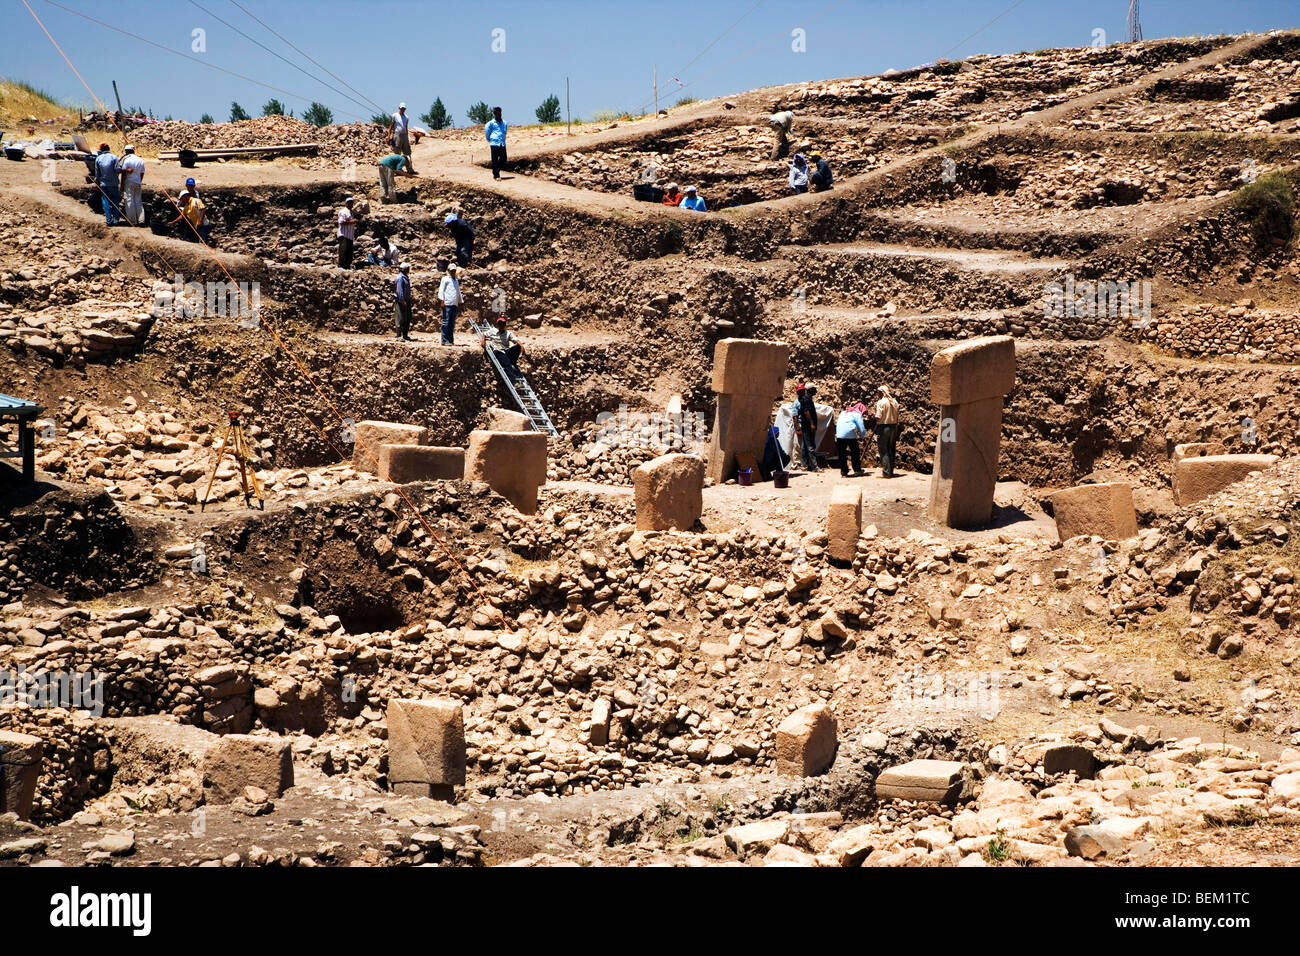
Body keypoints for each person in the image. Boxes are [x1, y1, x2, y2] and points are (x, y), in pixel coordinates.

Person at [482, 315, 524, 380]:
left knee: (517, 347)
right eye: (500, 324)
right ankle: (513, 382)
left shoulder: (508, 333)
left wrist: (521, 346)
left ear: (505, 325)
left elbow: (515, 340)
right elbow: (484, 334)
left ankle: (513, 361)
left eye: (503, 324)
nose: (502, 325)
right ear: (498, 325)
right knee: (507, 364)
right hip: (498, 351)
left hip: (506, 351)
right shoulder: (493, 330)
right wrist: (483, 341)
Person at [873, 385, 900, 478]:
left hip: (883, 427)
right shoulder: (895, 402)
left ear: (882, 392)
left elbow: (878, 416)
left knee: (883, 450)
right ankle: (891, 471)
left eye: (879, 392)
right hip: (893, 427)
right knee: (891, 448)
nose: (878, 394)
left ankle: (886, 472)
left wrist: (873, 414)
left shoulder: (880, 403)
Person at [793, 382, 821, 472]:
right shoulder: (807, 399)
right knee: (810, 447)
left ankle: (805, 465)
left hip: (805, 426)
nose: (816, 390)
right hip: (807, 426)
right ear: (810, 390)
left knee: (805, 446)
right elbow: (806, 412)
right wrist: (812, 423)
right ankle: (814, 467)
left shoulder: (805, 399)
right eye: (814, 389)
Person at [836, 402, 868, 477]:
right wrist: (863, 436)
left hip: (839, 434)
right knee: (855, 452)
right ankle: (857, 470)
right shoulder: (857, 414)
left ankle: (844, 471)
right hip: (850, 434)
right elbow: (861, 427)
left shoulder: (843, 412)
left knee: (842, 453)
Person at [93, 143, 121, 226]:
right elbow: (117, 169)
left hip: (104, 184)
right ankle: (116, 220)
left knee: (106, 201)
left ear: (101, 150)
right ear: (109, 149)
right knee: (115, 201)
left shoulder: (98, 158)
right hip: (114, 183)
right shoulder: (114, 157)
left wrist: (96, 183)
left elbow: (97, 174)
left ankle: (108, 220)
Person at [119, 145, 145, 226]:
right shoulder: (140, 160)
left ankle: (132, 221)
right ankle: (141, 220)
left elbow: (123, 173)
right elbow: (142, 172)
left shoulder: (127, 160)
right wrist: (139, 181)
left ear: (126, 151)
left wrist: (122, 185)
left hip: (129, 182)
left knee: (129, 201)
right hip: (137, 182)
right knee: (138, 201)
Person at [387, 103, 415, 175]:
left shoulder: (406, 117)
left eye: (404, 108)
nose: (402, 110)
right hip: (397, 135)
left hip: (404, 135)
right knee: (397, 152)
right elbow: (391, 126)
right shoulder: (395, 115)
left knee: (407, 153)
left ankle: (409, 168)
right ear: (399, 108)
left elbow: (406, 127)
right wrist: (388, 136)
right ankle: (397, 169)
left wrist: (407, 136)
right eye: (401, 108)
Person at [438, 263, 462, 345]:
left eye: (454, 271)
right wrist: (442, 300)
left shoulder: (456, 280)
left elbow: (458, 291)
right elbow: (441, 290)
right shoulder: (445, 279)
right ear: (448, 271)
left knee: (451, 323)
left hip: (454, 303)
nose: (453, 272)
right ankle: (444, 340)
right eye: (451, 271)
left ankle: (450, 340)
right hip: (447, 303)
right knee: (446, 322)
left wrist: (459, 301)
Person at [485, 106, 508, 179]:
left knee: (503, 159)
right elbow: (487, 133)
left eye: (500, 113)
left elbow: (505, 132)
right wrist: (491, 140)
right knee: (494, 160)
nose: (499, 115)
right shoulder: (490, 123)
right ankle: (496, 175)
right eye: (497, 114)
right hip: (494, 143)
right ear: (494, 114)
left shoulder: (504, 122)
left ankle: (495, 170)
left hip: (502, 143)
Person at [393, 263, 413, 342]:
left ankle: (405, 335)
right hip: (401, 301)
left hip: (406, 301)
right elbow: (399, 290)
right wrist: (402, 301)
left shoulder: (405, 277)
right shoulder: (400, 278)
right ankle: (399, 335)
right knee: (400, 318)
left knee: (407, 318)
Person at [337, 196, 358, 269]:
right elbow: (341, 222)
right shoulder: (343, 211)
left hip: (350, 235)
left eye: (351, 203)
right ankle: (341, 265)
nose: (350, 204)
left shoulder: (351, 212)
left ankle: (347, 266)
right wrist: (351, 222)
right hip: (344, 234)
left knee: (349, 251)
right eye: (349, 203)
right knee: (343, 250)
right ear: (346, 204)